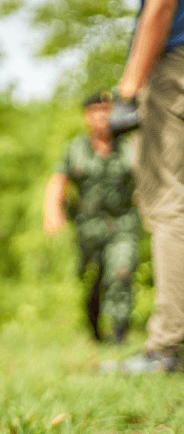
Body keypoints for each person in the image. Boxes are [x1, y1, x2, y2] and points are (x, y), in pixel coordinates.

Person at [103, 0, 184, 373]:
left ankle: (167, 348)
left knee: (168, 201)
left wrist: (129, 89)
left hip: (174, 68)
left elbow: (161, 2)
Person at [43, 92, 140, 344]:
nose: (101, 116)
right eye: (95, 110)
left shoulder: (129, 146)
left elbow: (145, 180)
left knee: (121, 272)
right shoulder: (76, 148)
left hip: (123, 224)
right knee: (92, 280)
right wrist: (52, 212)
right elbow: (58, 181)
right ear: (86, 116)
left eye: (106, 109)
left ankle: (119, 335)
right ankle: (96, 332)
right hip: (88, 228)